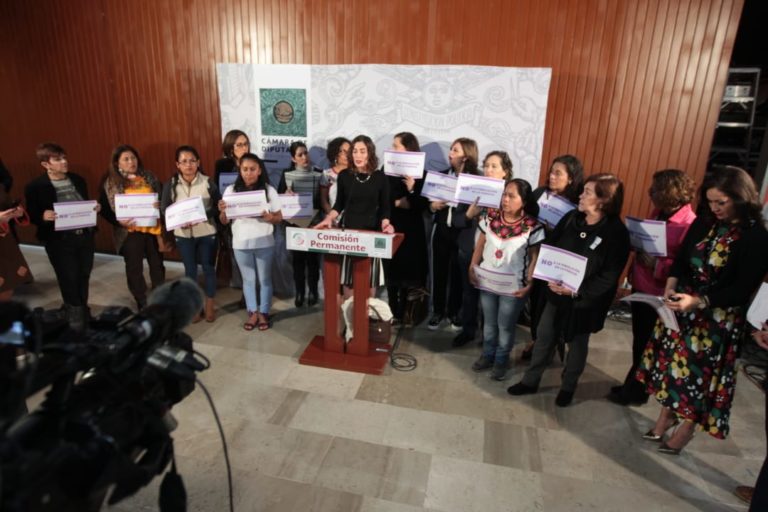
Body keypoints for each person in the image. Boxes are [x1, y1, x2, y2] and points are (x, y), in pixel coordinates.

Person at [636, 166, 768, 454]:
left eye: (722, 202)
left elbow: (741, 289)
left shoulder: (756, 236)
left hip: (716, 320)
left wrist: (699, 302)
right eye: (710, 201)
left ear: (741, 198)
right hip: (683, 308)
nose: (715, 208)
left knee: (699, 380)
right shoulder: (706, 221)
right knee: (673, 370)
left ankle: (686, 430)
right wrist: (670, 285)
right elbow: (682, 259)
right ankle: (665, 418)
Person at [507, 173, 630, 407]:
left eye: (587, 193)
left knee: (577, 345)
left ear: (603, 200)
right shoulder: (572, 217)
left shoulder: (617, 232)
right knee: (544, 337)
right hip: (555, 291)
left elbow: (609, 276)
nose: (580, 195)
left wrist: (576, 291)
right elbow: (551, 247)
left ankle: (568, 387)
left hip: (584, 301)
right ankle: (531, 380)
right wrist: (547, 276)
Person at [607, 169, 696, 406]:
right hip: (643, 285)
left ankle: (635, 391)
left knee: (649, 344)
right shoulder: (659, 213)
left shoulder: (689, 224)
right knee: (639, 340)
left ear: (670, 192)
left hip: (661, 293)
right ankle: (634, 385)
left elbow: (685, 265)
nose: (650, 192)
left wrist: (658, 264)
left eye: (656, 189)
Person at [469, 179, 544, 380]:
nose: (506, 199)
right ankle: (487, 355)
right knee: (489, 323)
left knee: (505, 326)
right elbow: (480, 244)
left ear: (524, 201)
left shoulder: (533, 227)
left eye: (512, 196)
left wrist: (530, 284)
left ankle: (501, 361)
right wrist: (472, 267)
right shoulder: (489, 217)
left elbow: (535, 258)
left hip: (513, 288)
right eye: (504, 195)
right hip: (487, 280)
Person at [25, 143, 98, 330]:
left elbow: (84, 203)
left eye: (64, 157)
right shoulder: (35, 186)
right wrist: (42, 216)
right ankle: (75, 314)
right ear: (45, 164)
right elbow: (32, 213)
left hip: (84, 235)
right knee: (68, 276)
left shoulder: (78, 180)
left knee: (83, 274)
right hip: (59, 240)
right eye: (58, 159)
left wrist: (94, 208)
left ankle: (81, 309)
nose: (64, 162)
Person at [521, 154, 584, 361]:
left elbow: (578, 236)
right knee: (535, 299)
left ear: (571, 178)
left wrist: (555, 231)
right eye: (551, 171)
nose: (552, 176)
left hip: (557, 262)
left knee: (549, 304)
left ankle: (547, 342)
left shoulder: (577, 204)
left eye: (558, 173)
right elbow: (526, 216)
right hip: (535, 254)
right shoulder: (540, 193)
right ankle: (536, 338)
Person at [315, 135, 393, 294]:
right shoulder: (344, 176)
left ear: (370, 153)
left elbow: (386, 207)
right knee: (348, 290)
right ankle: (349, 319)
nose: (358, 155)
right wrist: (329, 218)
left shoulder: (380, 177)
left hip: (371, 236)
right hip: (349, 237)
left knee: (369, 291)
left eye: (362, 151)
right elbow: (339, 205)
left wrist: (386, 223)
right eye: (355, 151)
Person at [219, 153, 282, 330]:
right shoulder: (231, 190)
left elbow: (279, 218)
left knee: (265, 279)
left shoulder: (269, 191)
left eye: (252, 169)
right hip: (240, 243)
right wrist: (223, 211)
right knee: (248, 280)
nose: (248, 173)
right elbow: (224, 220)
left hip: (264, 242)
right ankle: (252, 312)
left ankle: (264, 313)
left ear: (259, 170)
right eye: (245, 169)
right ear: (240, 170)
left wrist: (270, 217)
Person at [99, 145, 165, 310]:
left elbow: (163, 197)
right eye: (126, 159)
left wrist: (160, 204)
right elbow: (106, 210)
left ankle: (159, 295)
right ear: (117, 163)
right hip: (129, 232)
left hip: (152, 230)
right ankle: (141, 299)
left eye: (133, 158)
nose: (131, 162)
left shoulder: (149, 176)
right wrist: (118, 221)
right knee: (134, 268)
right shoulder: (110, 182)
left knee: (157, 264)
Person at [428, 138, 480, 347]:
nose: (450, 153)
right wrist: (433, 206)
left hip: (464, 233)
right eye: (450, 149)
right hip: (441, 232)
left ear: (465, 156)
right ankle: (438, 311)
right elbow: (428, 207)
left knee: (459, 276)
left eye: (455, 150)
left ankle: (454, 313)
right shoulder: (440, 176)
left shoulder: (476, 180)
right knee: (439, 273)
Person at [161, 146, 220, 322]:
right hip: (183, 235)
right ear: (177, 164)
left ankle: (209, 304)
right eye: (184, 161)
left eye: (192, 161)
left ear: (198, 163)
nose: (189, 165)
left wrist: (201, 216)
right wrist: (179, 220)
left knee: (209, 269)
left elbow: (218, 207)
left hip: (206, 232)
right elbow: (165, 209)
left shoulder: (208, 182)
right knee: (190, 271)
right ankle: (195, 306)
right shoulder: (171, 185)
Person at [383, 132, 429, 323]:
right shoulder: (385, 170)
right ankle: (392, 311)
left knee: (408, 272)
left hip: (412, 230)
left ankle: (407, 313)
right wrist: (398, 202)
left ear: (408, 148)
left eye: (396, 146)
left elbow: (422, 205)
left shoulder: (422, 174)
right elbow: (383, 198)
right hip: (391, 225)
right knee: (391, 270)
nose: (393, 149)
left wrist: (411, 189)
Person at [277, 141, 323, 307]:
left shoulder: (318, 173)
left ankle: (313, 292)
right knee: (297, 261)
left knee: (312, 261)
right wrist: (287, 195)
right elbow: (278, 199)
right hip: (295, 224)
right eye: (300, 155)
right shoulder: (286, 174)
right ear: (293, 158)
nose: (304, 157)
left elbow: (321, 199)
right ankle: (299, 293)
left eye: (305, 153)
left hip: (313, 223)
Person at [214, 130, 251, 298]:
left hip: (251, 216)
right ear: (230, 148)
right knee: (237, 256)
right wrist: (221, 204)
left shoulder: (254, 162)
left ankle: (250, 294)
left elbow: (263, 184)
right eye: (240, 145)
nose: (245, 147)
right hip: (230, 217)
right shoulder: (222, 165)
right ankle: (244, 291)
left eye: (246, 143)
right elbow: (217, 189)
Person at [319, 137, 351, 217]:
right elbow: (323, 200)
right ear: (334, 153)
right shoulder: (327, 174)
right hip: (333, 221)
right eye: (342, 151)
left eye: (349, 151)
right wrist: (332, 217)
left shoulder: (357, 174)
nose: (347, 154)